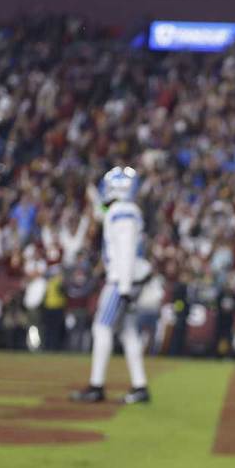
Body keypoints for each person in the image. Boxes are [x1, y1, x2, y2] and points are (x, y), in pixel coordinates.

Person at [71, 167, 152, 405]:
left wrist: (124, 289)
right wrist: (92, 194)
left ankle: (96, 385)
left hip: (120, 280)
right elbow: (101, 211)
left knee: (102, 328)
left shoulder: (122, 212)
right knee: (128, 333)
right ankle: (140, 386)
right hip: (127, 279)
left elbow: (126, 251)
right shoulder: (124, 210)